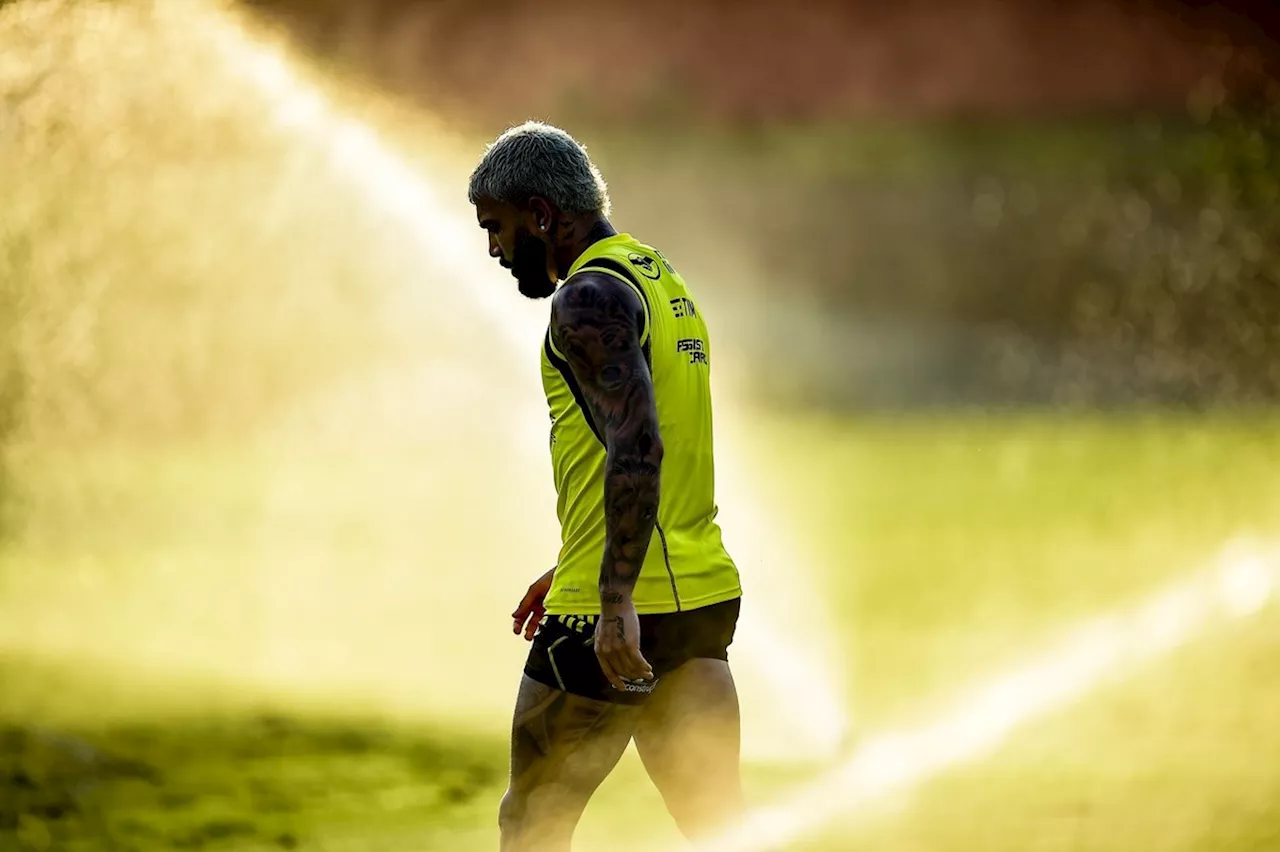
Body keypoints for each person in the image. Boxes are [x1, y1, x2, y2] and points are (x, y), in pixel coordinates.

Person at [468, 121, 745, 851]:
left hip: (612, 614)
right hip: (698, 601)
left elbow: (638, 445)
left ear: (542, 213)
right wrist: (580, 554)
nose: (494, 249)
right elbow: (664, 446)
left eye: (496, 226)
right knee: (718, 829)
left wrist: (611, 594)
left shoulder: (586, 299)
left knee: (531, 823)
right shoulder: (659, 279)